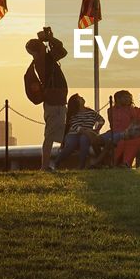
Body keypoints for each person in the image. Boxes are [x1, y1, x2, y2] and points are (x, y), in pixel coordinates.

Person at [26, 28, 68, 173]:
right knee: (51, 135)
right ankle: (45, 166)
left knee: (61, 133)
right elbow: (62, 51)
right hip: (54, 102)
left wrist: (49, 39)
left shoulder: (43, 60)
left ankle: (55, 164)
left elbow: (61, 51)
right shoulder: (44, 61)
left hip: (58, 101)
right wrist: (50, 39)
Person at [53, 94, 105, 169]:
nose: (82, 98)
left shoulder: (91, 112)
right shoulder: (73, 114)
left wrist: (97, 129)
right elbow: (76, 127)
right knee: (71, 144)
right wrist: (88, 132)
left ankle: (81, 164)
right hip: (74, 134)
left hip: (87, 134)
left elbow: (101, 120)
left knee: (84, 139)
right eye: (79, 98)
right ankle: (57, 161)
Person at [113, 90, 140, 167]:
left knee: (132, 143)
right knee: (123, 142)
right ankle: (114, 162)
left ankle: (126, 163)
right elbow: (133, 120)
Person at [96, 90, 135, 167]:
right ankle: (103, 161)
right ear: (118, 98)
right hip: (113, 132)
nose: (128, 99)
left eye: (128, 97)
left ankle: (98, 162)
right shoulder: (110, 110)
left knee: (110, 140)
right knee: (95, 140)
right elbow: (111, 124)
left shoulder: (130, 109)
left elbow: (134, 122)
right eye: (125, 97)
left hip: (124, 133)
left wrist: (127, 130)